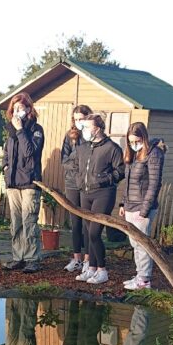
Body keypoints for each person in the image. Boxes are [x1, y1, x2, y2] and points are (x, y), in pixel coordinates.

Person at [74, 113, 124, 284]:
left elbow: (120, 171)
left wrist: (103, 179)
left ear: (98, 128)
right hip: (85, 193)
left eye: (88, 127)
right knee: (88, 233)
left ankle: (102, 270)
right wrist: (79, 179)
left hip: (103, 194)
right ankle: (92, 268)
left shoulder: (112, 148)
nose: (84, 130)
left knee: (95, 233)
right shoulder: (83, 147)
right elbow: (74, 165)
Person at [1, 93, 46, 273]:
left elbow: (29, 152)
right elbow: (6, 152)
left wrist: (20, 130)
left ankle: (32, 258)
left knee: (29, 221)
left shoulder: (36, 129)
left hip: (29, 182)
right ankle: (17, 257)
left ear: (29, 109)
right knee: (16, 222)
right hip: (13, 182)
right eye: (15, 108)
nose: (17, 112)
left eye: (21, 108)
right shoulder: (10, 131)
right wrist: (4, 167)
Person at [119, 122, 165, 290]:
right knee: (134, 243)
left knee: (143, 244)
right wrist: (123, 203)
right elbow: (129, 182)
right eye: (130, 141)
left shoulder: (154, 154)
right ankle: (140, 275)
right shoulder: (132, 155)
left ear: (143, 138)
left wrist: (145, 210)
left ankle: (144, 279)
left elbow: (154, 184)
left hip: (143, 207)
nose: (133, 144)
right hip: (131, 205)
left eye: (136, 141)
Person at [61, 105, 93, 272]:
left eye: (81, 118)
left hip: (87, 184)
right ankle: (76, 258)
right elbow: (64, 160)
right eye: (76, 119)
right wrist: (77, 159)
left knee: (88, 221)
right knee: (75, 222)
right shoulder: (70, 136)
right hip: (72, 182)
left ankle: (88, 259)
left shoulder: (93, 136)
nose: (78, 122)